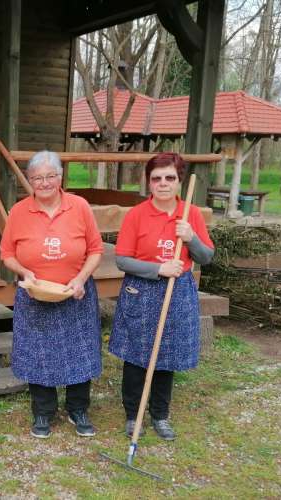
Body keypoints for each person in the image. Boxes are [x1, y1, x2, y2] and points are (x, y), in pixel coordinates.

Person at [110, 152, 214, 441]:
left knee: (166, 354)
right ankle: (133, 414)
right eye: (156, 178)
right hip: (141, 291)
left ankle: (160, 414)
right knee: (136, 355)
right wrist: (159, 268)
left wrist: (190, 236)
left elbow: (207, 257)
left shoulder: (190, 214)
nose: (163, 183)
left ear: (180, 181)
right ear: (149, 182)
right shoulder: (136, 214)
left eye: (170, 177)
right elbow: (122, 260)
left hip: (177, 292)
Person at [0, 150, 104, 439]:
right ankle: (43, 412)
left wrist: (81, 278)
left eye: (50, 176)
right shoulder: (19, 211)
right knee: (39, 353)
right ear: (29, 181)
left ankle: (78, 409)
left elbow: (96, 249)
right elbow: (6, 253)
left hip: (76, 292)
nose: (44, 182)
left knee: (80, 351)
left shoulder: (79, 206)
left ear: (60, 177)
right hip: (35, 295)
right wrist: (24, 273)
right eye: (37, 178)